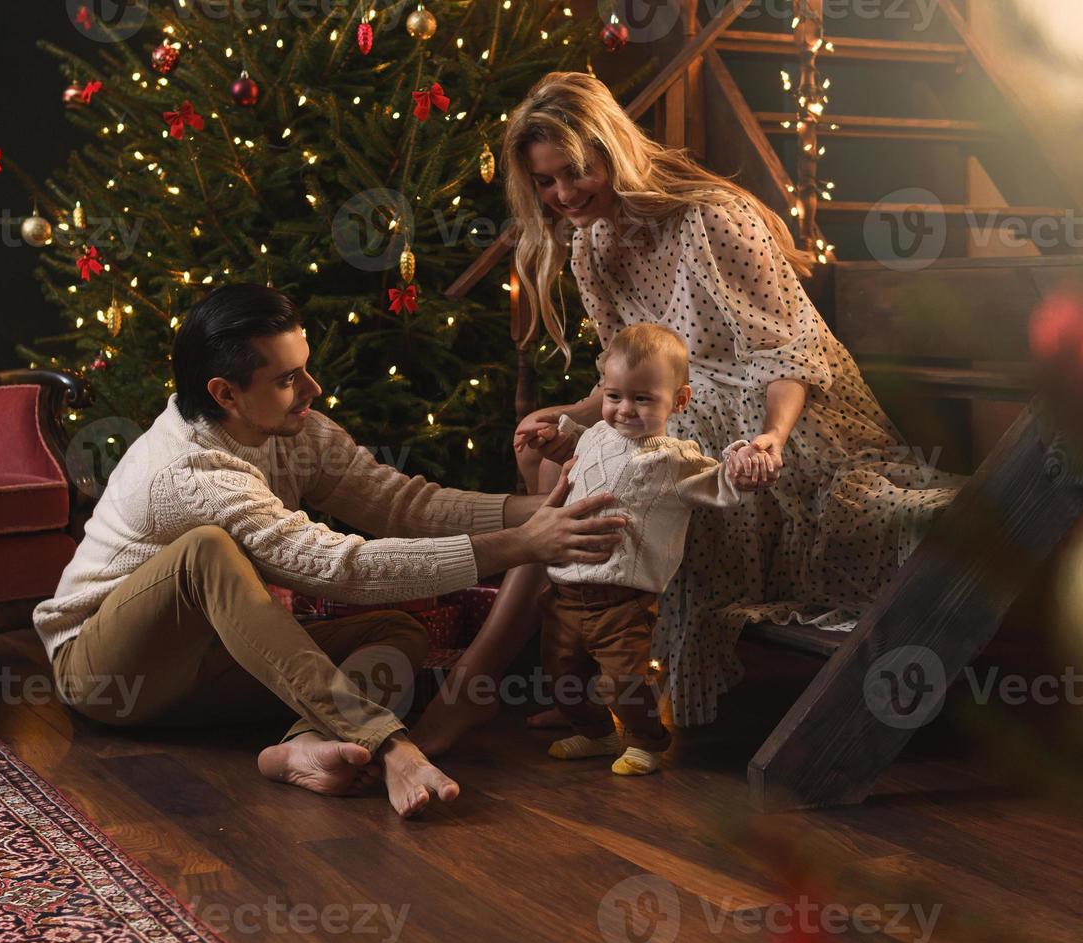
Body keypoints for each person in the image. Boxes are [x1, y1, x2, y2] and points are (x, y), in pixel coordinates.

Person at [409, 71, 960, 754]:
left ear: (611, 151)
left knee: (625, 475)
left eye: (574, 173)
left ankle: (494, 682)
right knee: (540, 442)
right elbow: (624, 380)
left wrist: (772, 438)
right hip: (669, 409)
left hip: (779, 412)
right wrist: (570, 417)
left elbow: (791, 354)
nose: (562, 196)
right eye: (545, 183)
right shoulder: (589, 246)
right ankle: (574, 673)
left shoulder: (713, 220)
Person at [32, 282, 626, 817]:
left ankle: (299, 747)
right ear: (225, 393)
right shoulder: (189, 472)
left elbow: (403, 505)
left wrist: (544, 512)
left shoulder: (295, 428)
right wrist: (521, 544)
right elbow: (337, 569)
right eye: (288, 379)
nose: (312, 390)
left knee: (395, 633)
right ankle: (388, 744)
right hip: (111, 674)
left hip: (211, 672)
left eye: (305, 369)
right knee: (205, 551)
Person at [525, 323, 750, 776]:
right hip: (564, 592)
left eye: (642, 399)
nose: (624, 410)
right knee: (561, 678)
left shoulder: (674, 458)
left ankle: (647, 739)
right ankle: (596, 734)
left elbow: (720, 482)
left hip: (621, 601)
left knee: (622, 682)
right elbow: (582, 453)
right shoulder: (595, 436)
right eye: (614, 396)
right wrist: (554, 442)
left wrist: (741, 465)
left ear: (679, 401)